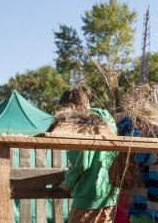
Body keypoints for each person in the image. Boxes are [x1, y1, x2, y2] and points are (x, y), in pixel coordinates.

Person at [48, 85, 119, 223]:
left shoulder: (81, 123)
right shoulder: (109, 122)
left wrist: (67, 183)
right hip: (109, 197)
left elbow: (80, 164)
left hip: (87, 197)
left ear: (72, 107)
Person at [111, 116, 158, 223]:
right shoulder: (148, 148)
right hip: (149, 213)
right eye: (144, 127)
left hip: (157, 212)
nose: (149, 130)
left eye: (153, 127)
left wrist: (124, 122)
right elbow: (131, 138)